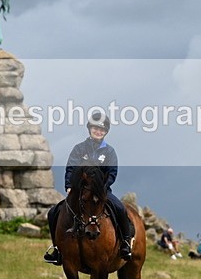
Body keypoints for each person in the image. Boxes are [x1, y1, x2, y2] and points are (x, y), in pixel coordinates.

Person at [43, 112, 136, 265]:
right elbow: (71, 168)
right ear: (90, 129)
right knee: (53, 212)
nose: (98, 131)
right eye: (95, 128)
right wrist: (69, 186)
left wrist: (102, 189)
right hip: (80, 192)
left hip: (102, 192)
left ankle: (125, 244)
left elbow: (112, 173)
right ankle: (57, 249)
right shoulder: (79, 149)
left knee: (120, 208)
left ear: (105, 132)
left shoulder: (109, 152)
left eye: (102, 129)